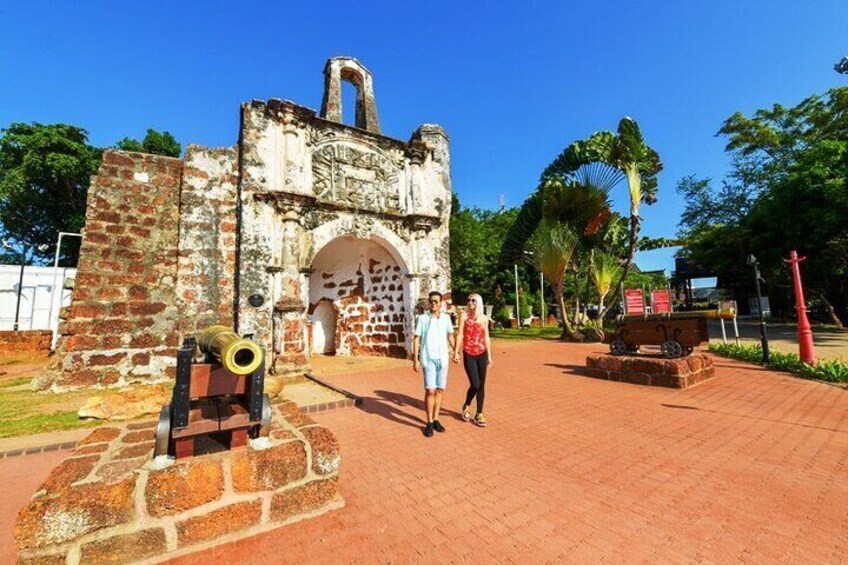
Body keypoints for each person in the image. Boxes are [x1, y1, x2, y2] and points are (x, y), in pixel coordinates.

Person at [412, 290, 455, 437]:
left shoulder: (446, 319)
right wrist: (415, 359)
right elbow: (417, 338)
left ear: (441, 303)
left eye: (437, 301)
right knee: (430, 390)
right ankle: (429, 422)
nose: (434, 304)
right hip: (428, 359)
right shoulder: (423, 319)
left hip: (442, 360)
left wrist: (456, 351)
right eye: (432, 301)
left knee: (440, 390)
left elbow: (450, 335)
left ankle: (436, 419)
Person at [452, 293, 493, 427]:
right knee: (475, 384)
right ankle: (467, 404)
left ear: (479, 303)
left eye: (473, 301)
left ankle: (479, 413)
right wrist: (456, 352)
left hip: (482, 353)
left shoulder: (484, 319)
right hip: (469, 353)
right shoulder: (464, 315)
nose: (470, 303)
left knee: (482, 385)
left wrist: (490, 355)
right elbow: (460, 334)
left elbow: (486, 336)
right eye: (469, 300)